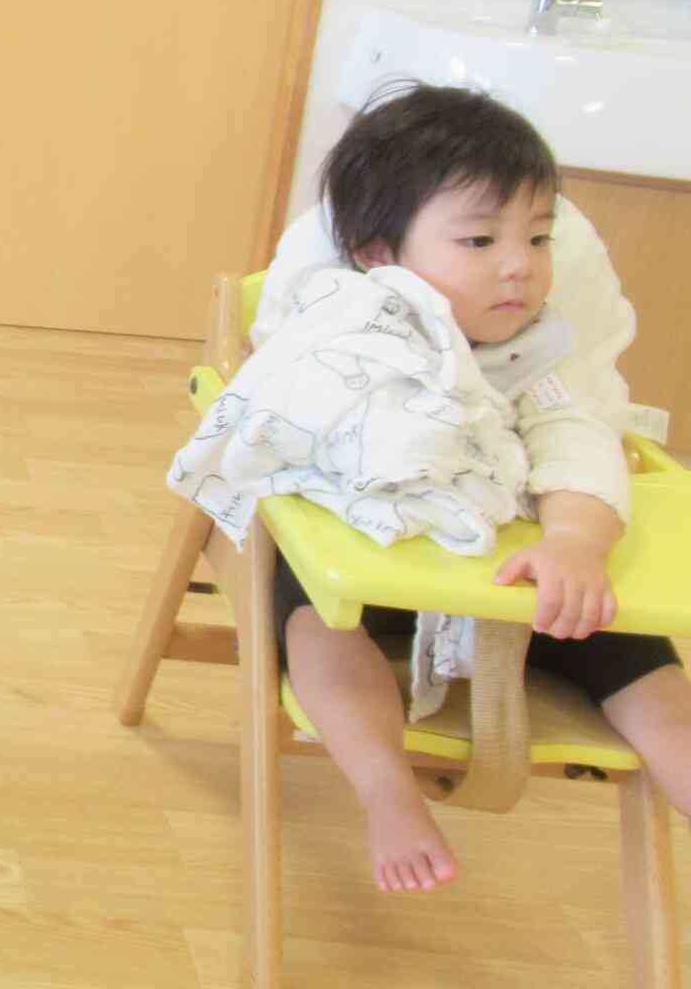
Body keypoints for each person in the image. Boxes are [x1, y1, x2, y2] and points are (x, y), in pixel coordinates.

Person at [259, 85, 691, 894]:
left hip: (526, 580)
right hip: (379, 554)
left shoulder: (537, 358)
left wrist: (573, 542)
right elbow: (293, 438)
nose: (519, 265)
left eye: (537, 236)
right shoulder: (342, 343)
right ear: (382, 256)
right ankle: (385, 790)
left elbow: (579, 439)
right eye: (480, 240)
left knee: (646, 664)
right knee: (317, 619)